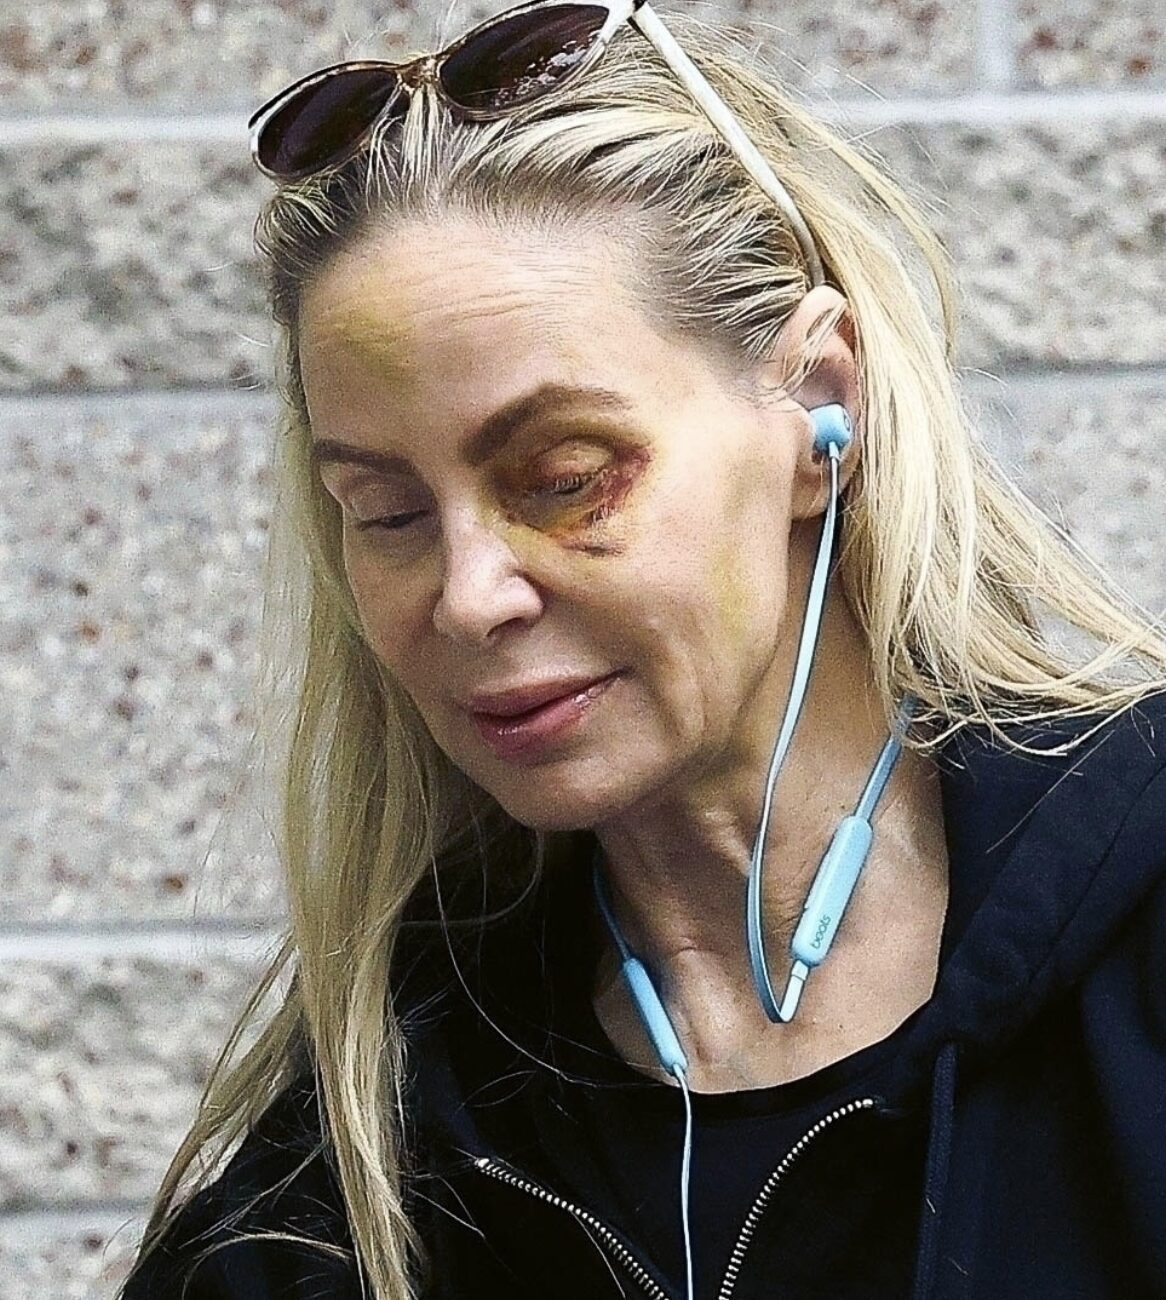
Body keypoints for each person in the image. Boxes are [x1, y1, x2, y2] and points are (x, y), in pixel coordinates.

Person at [119, 2, 1166, 1298]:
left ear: (820, 407)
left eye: (563, 478)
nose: (469, 596)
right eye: (386, 513)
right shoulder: (353, 1178)